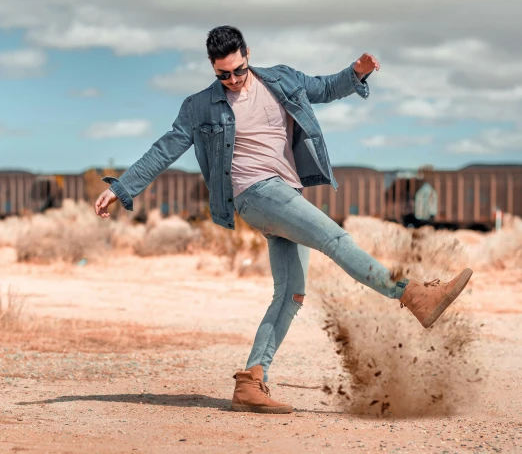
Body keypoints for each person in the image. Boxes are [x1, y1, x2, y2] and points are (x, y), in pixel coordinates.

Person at [95, 25, 472, 415]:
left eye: (238, 70)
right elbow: (164, 149)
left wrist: (356, 73)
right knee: (336, 240)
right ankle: (413, 295)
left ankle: (251, 381)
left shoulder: (281, 80)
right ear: (212, 70)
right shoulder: (200, 106)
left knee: (291, 293)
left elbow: (324, 88)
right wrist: (122, 188)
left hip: (285, 193)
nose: (233, 80)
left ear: (248, 55)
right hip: (254, 193)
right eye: (222, 74)